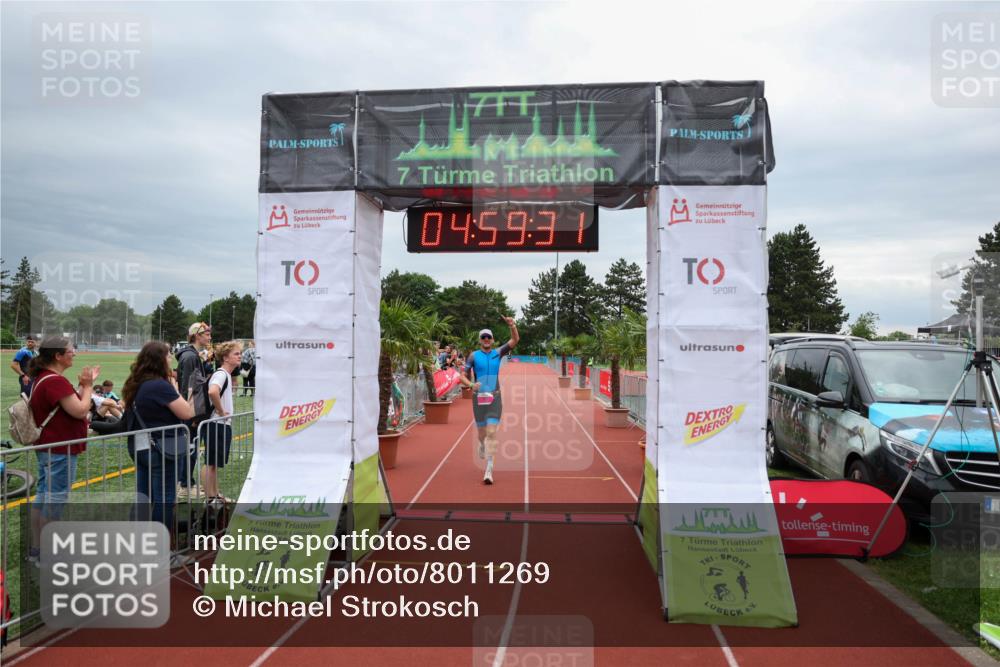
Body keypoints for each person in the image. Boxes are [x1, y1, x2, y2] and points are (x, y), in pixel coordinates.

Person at [27, 336, 99, 564]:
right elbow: (79, 410)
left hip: (50, 448)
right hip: (60, 450)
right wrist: (87, 386)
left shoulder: (46, 378)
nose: (74, 353)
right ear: (58, 356)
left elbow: (66, 406)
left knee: (43, 496)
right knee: (54, 501)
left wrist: (82, 387)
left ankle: (37, 549)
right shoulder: (54, 381)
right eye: (71, 350)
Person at [122, 341, 196, 561]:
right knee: (164, 499)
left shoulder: (135, 383)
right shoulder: (159, 385)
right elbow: (186, 412)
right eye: (169, 354)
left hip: (142, 446)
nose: (171, 357)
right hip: (163, 449)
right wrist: (175, 389)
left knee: (144, 497)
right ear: (160, 359)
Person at [460, 317, 519, 484]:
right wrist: (471, 384)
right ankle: (481, 444)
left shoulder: (498, 353)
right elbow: (461, 376)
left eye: (489, 337)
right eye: (483, 337)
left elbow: (515, 340)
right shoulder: (473, 356)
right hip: (479, 399)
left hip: (495, 397)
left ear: (492, 340)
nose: (486, 340)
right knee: (482, 434)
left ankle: (489, 469)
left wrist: (512, 325)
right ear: (480, 340)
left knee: (492, 432)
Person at [175, 322, 212, 497]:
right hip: (192, 411)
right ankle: (185, 485)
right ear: (197, 335)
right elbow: (189, 388)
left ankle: (186, 482)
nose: (209, 336)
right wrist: (192, 414)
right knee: (190, 448)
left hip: (194, 409)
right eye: (206, 333)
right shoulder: (190, 357)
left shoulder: (193, 356)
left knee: (191, 447)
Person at [202, 341, 240, 501]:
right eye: (236, 354)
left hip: (220, 424)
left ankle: (215, 494)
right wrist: (220, 410)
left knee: (214, 463)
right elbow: (212, 391)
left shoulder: (226, 375)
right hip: (216, 423)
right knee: (210, 462)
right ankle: (210, 497)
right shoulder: (221, 374)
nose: (239, 357)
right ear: (225, 358)